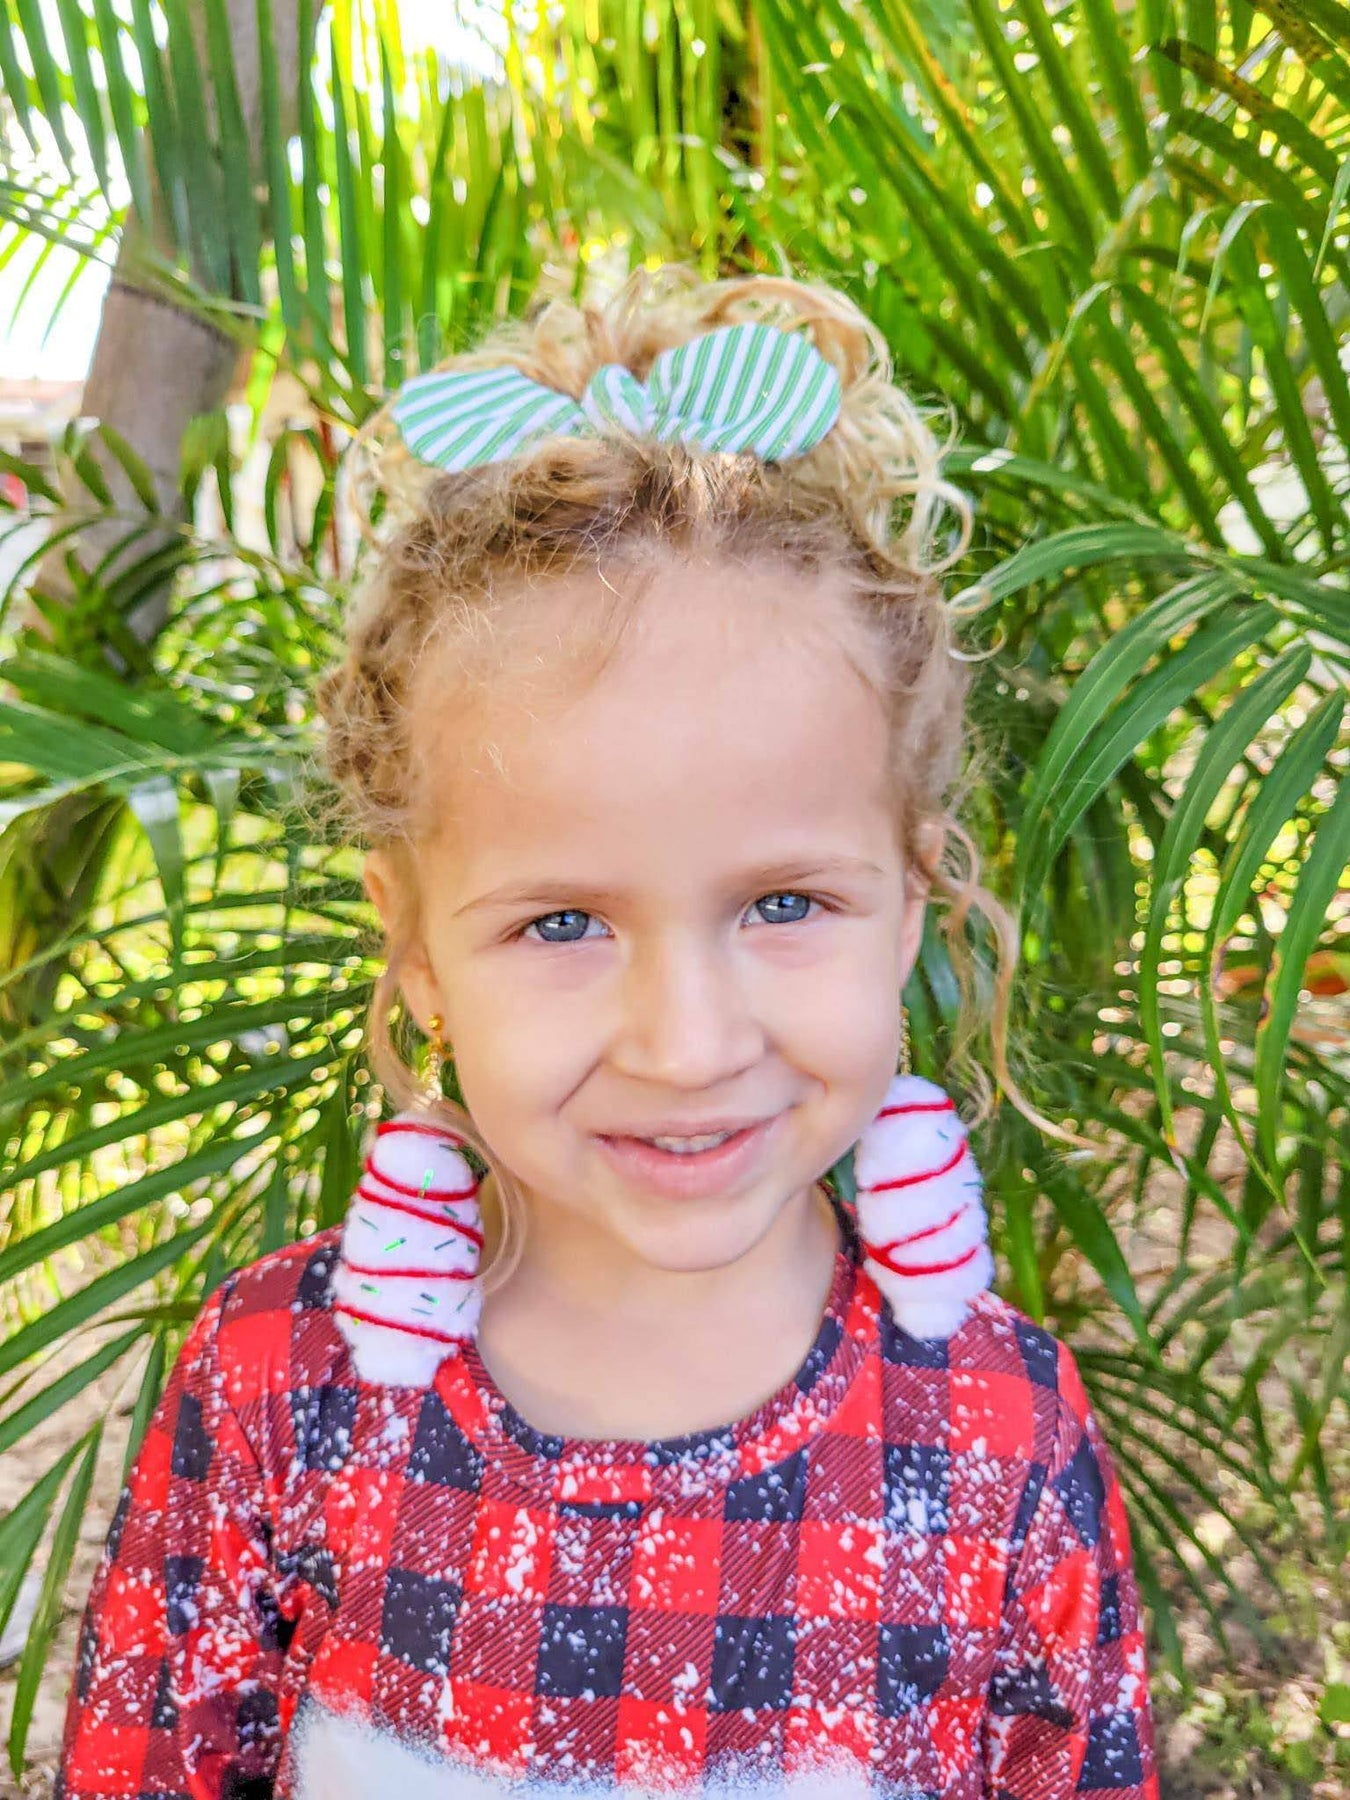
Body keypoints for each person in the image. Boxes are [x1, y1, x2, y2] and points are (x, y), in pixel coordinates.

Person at [55, 266, 1158, 1799]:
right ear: (414, 945)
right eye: (562, 923)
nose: (686, 1046)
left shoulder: (1001, 1434)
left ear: (911, 902)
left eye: (783, 903)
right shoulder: (276, 1387)